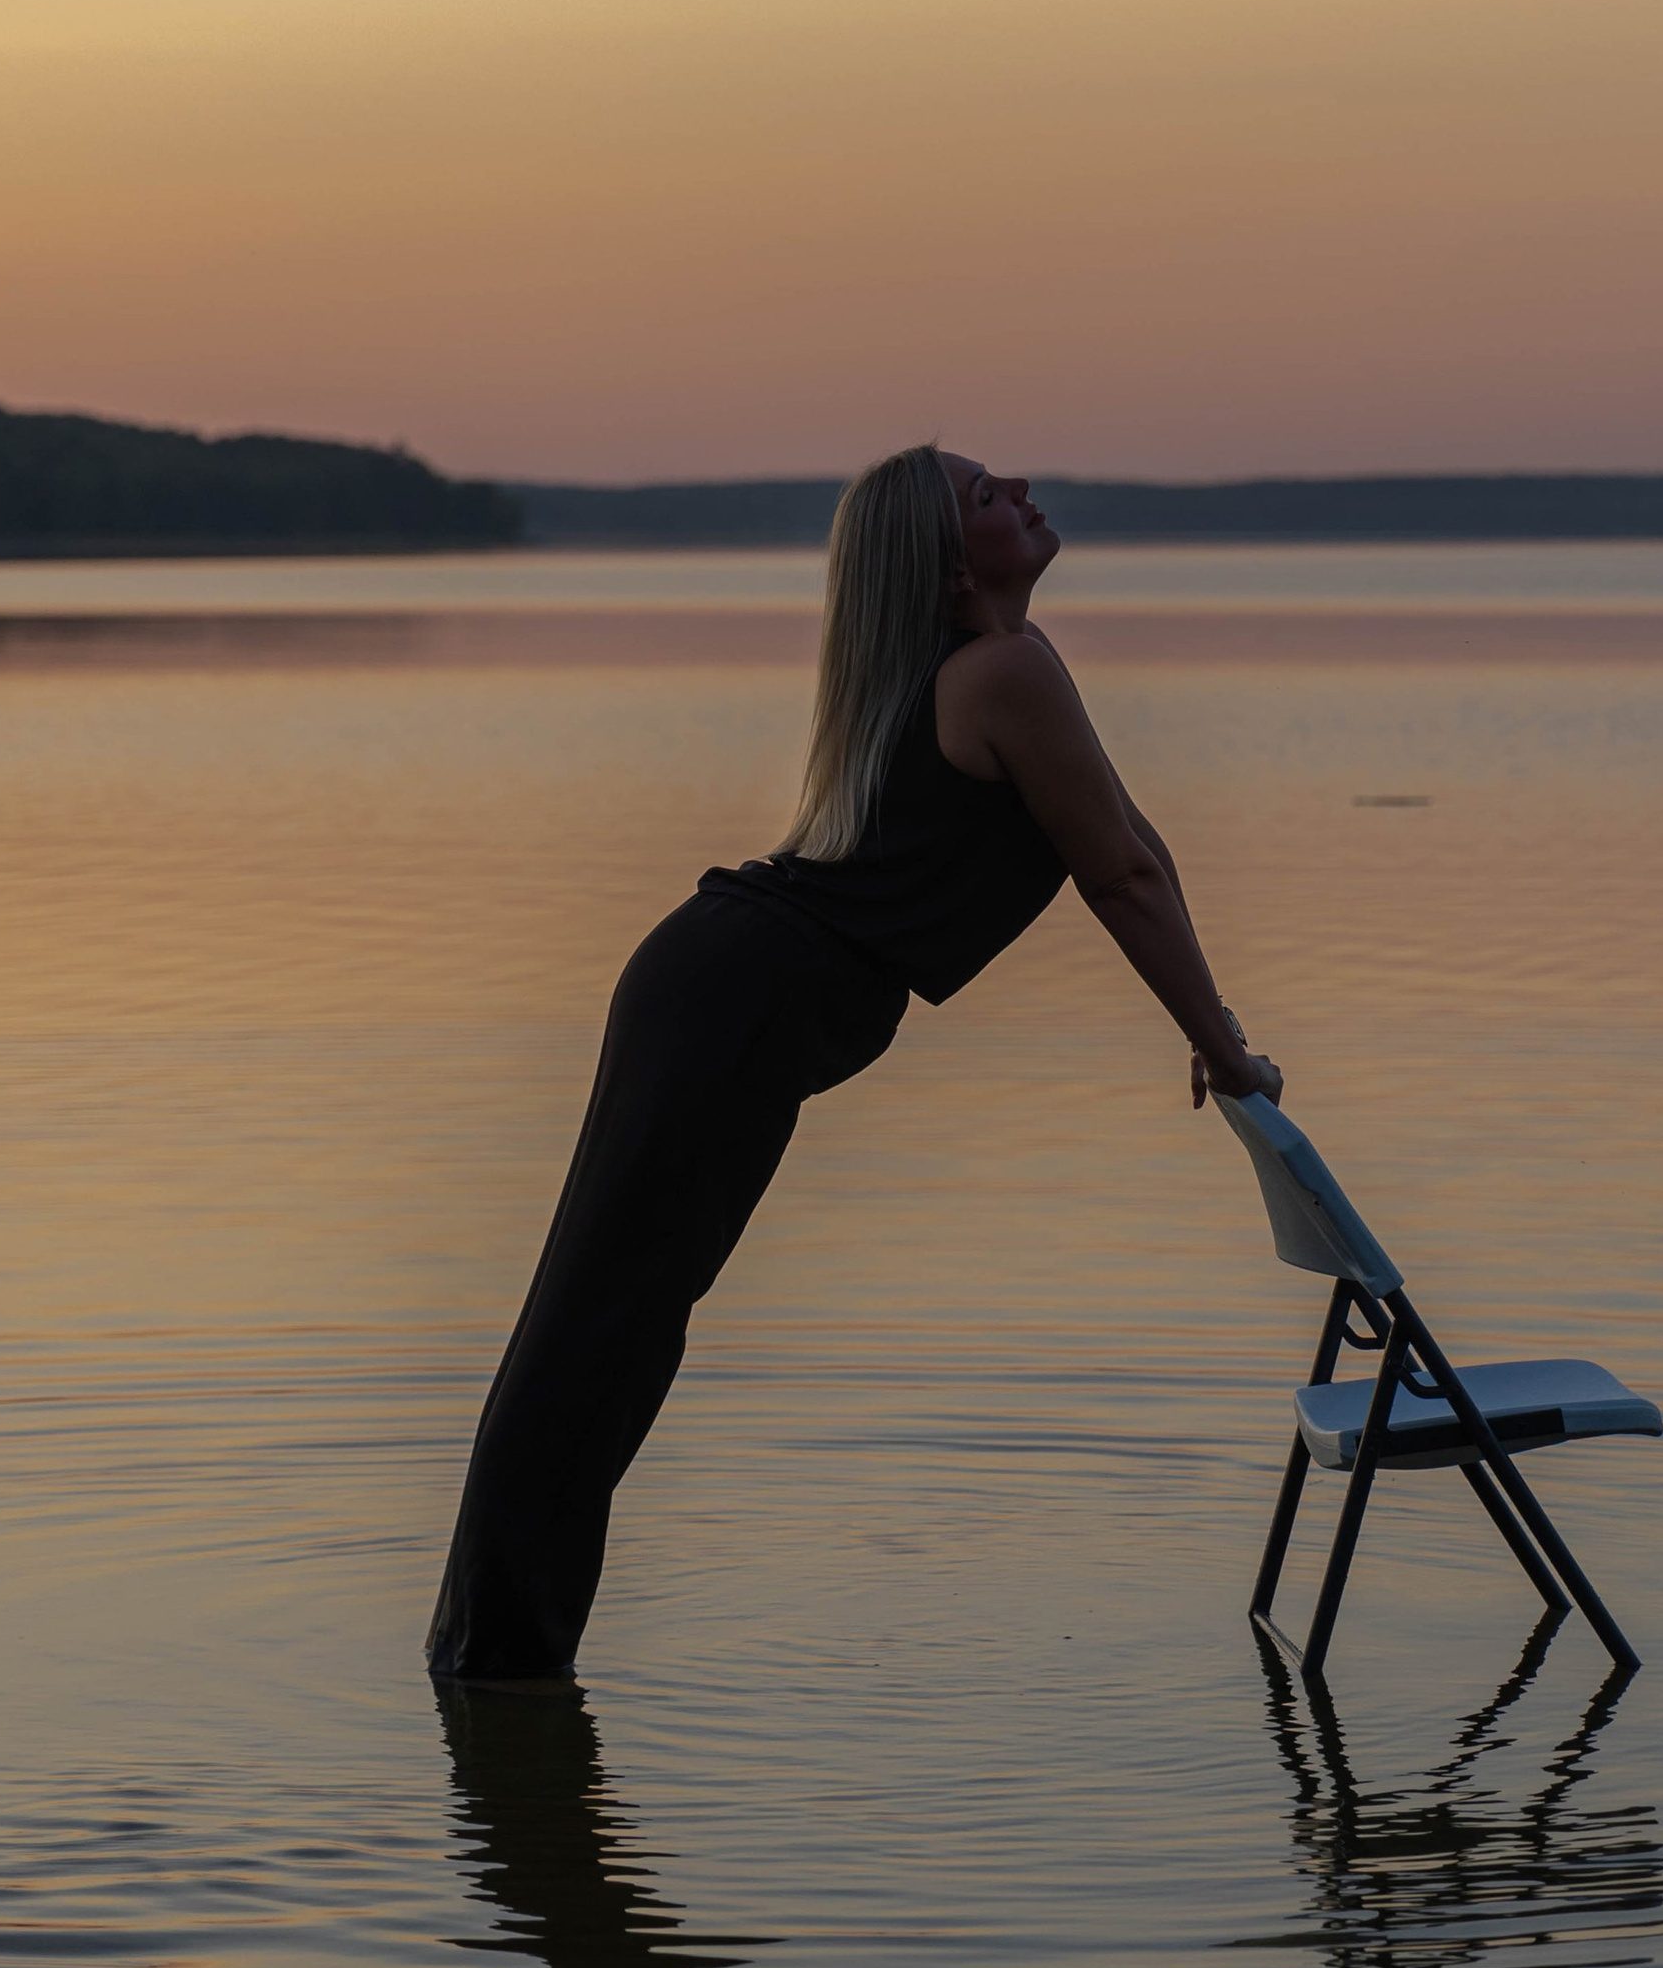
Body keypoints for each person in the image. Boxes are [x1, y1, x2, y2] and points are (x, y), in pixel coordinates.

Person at [425, 443, 1284, 1682]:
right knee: (606, 1324)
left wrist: (1217, 1036)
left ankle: (498, 1665)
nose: (1022, 487)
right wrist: (1224, 1049)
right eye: (986, 496)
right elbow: (1122, 877)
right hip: (728, 997)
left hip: (722, 988)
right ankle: (498, 1663)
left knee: (613, 1321)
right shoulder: (1002, 673)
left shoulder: (994, 676)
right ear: (945, 569)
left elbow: (1132, 844)